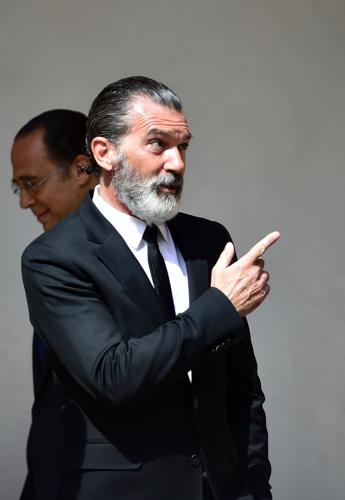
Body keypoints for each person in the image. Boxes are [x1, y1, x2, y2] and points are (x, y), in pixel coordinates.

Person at [21, 76, 278, 500]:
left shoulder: (208, 241)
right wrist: (218, 307)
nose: (176, 163)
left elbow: (241, 391)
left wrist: (253, 489)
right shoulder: (54, 258)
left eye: (184, 147)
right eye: (158, 144)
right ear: (105, 153)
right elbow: (114, 375)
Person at [10, 109, 99, 500]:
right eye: (18, 188)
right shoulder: (52, 262)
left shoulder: (144, 264)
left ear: (82, 168)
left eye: (32, 183)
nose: (25, 201)